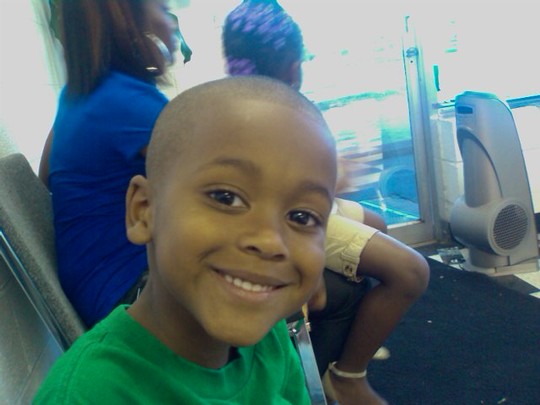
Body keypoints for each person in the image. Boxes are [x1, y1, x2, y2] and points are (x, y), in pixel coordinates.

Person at [35, 75, 338, 404]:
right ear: (143, 211)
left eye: (302, 217)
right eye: (226, 197)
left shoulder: (270, 336)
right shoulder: (88, 395)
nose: (270, 242)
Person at [222, 1, 430, 404]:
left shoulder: (260, 104)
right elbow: (294, 192)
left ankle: (355, 338)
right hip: (293, 215)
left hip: (309, 204)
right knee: (411, 272)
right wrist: (336, 178)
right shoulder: (269, 114)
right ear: (291, 67)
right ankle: (347, 376)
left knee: (378, 224)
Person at [38, 0, 180, 327]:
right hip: (129, 298)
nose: (171, 21)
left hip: (98, 295)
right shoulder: (128, 103)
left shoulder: (79, 96)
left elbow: (44, 180)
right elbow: (222, 184)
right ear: (128, 18)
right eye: (162, 7)